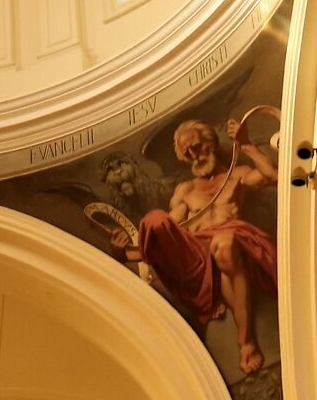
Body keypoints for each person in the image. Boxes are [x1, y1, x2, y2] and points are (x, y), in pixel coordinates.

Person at [110, 117, 278, 375]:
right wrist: (125, 253)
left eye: (197, 147)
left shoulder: (235, 175)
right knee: (154, 219)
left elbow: (273, 176)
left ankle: (245, 341)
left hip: (231, 240)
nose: (193, 155)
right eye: (186, 152)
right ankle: (237, 328)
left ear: (210, 144)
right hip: (197, 253)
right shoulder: (185, 190)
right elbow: (168, 236)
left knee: (224, 244)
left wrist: (246, 145)